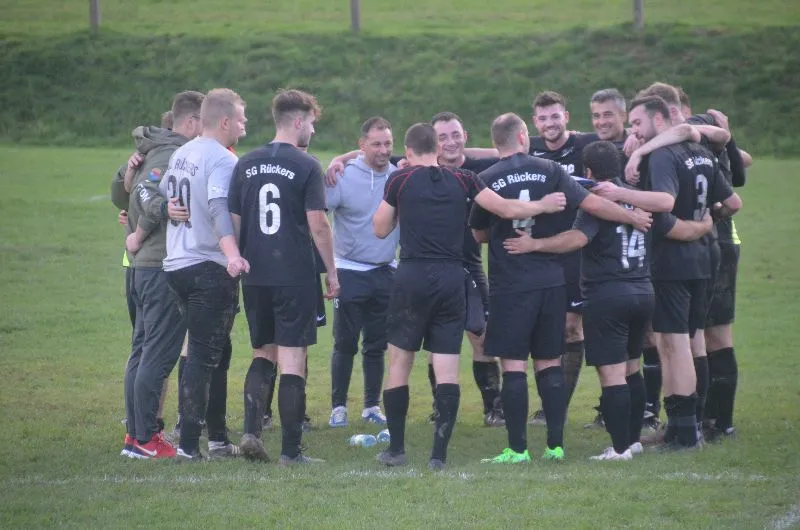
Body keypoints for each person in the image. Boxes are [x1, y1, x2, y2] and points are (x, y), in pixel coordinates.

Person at [372, 122, 569, 470]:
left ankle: (397, 449)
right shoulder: (464, 180)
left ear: (409, 150)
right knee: (447, 365)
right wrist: (544, 204)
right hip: (453, 277)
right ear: (437, 148)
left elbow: (380, 228)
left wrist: (403, 206)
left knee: (400, 363)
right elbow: (506, 209)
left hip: (412, 276)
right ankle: (438, 455)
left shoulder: (400, 180)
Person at [469, 114, 652, 464]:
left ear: (496, 143)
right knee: (550, 362)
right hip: (553, 281)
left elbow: (477, 233)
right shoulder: (551, 170)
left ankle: (518, 450)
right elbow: (592, 204)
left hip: (511, 283)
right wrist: (632, 216)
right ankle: (555, 446)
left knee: (513, 366)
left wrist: (506, 228)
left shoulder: (486, 177)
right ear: (523, 136)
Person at [626, 95, 742, 450]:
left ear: (660, 120)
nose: (634, 131)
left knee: (674, 345)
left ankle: (685, 432)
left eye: (637, 123)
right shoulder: (701, 152)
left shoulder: (662, 156)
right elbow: (733, 202)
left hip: (673, 263)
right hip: (704, 260)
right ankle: (682, 428)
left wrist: (690, 229)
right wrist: (707, 223)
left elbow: (664, 218)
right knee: (686, 343)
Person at [231, 89, 338, 465]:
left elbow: (234, 221)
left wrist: (240, 260)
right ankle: (291, 452)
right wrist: (332, 271)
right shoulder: (307, 165)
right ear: (297, 121)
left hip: (255, 274)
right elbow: (318, 225)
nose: (313, 130)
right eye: (311, 123)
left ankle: (251, 432)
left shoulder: (246, 163)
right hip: (294, 275)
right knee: (293, 358)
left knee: (263, 352)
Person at [114, 91, 204, 459]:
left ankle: (136, 435)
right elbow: (146, 193)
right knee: (156, 354)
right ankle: (146, 438)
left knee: (141, 352)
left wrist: (129, 179)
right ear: (192, 122)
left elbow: (120, 192)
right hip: (159, 267)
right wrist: (158, 215)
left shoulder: (154, 149)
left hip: (143, 268)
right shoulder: (172, 154)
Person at [161, 88, 249, 460]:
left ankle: (217, 438)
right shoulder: (222, 159)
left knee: (216, 350)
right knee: (203, 354)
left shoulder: (184, 152)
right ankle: (188, 445)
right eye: (241, 119)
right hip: (208, 267)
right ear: (225, 121)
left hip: (177, 264)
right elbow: (217, 207)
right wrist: (232, 254)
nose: (245, 125)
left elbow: (166, 193)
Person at [677, 89, 752, 441]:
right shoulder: (695, 143)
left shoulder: (698, 135)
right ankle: (707, 419)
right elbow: (743, 164)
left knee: (714, 334)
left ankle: (720, 421)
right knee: (698, 335)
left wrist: (726, 136)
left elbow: (739, 175)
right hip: (698, 246)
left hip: (717, 243)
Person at [326, 116, 399, 428]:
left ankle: (371, 406)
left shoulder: (398, 176)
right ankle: (338, 407)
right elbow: (317, 213)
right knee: (345, 343)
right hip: (349, 271)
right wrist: (338, 160)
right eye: (376, 144)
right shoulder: (342, 176)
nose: (383, 150)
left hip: (386, 272)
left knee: (376, 345)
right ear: (362, 145)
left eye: (388, 143)